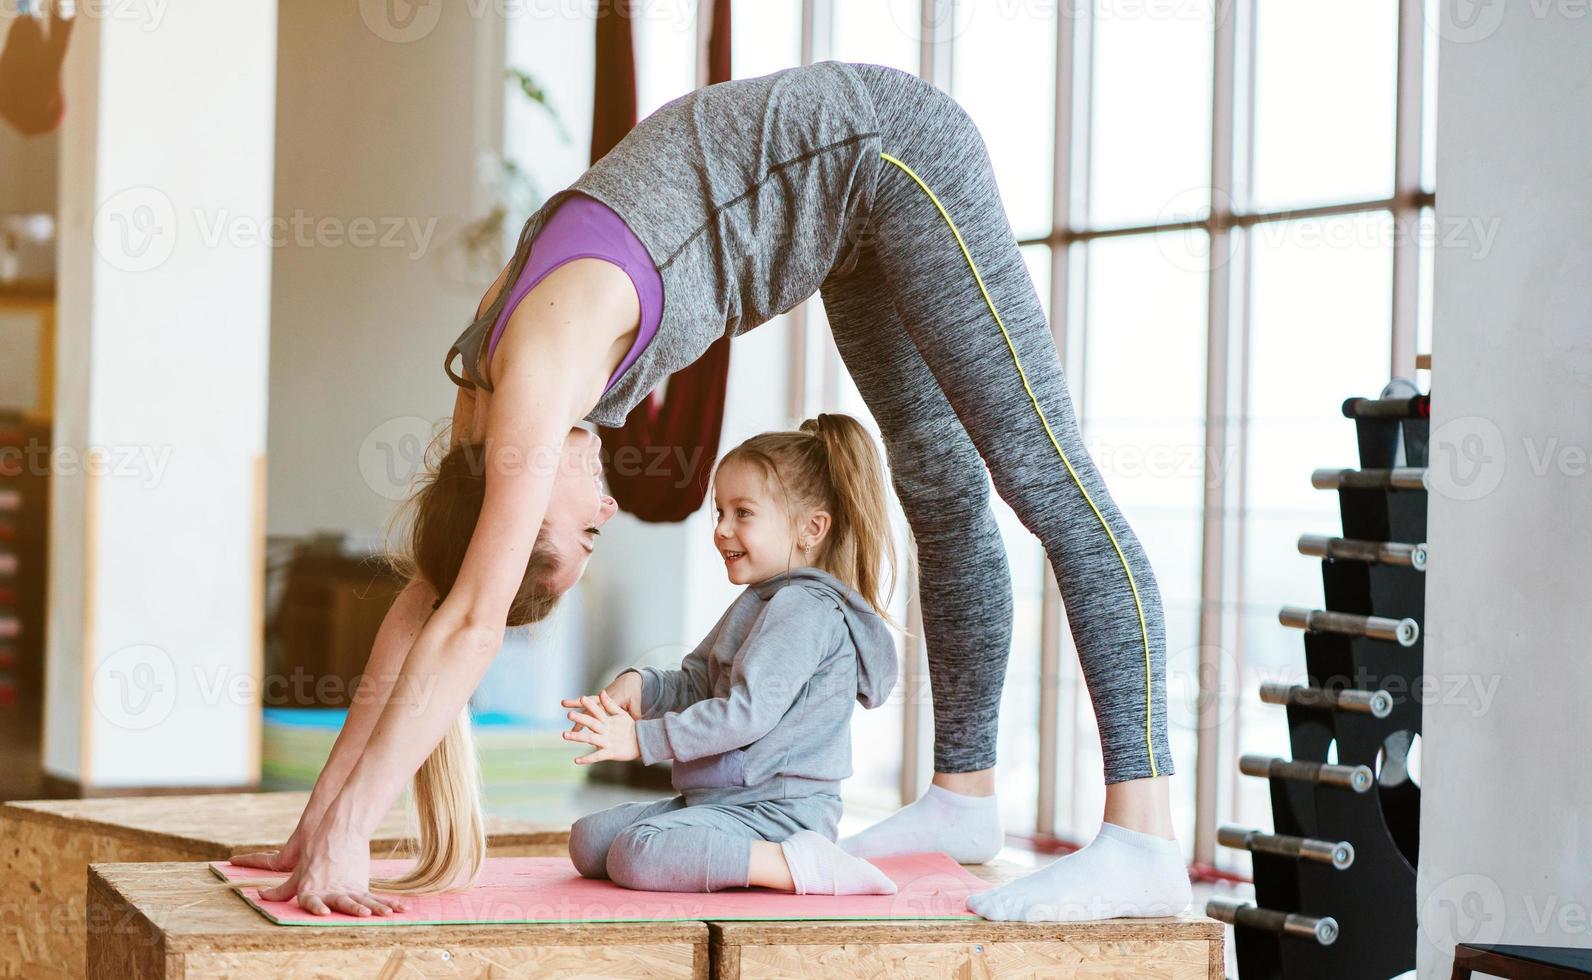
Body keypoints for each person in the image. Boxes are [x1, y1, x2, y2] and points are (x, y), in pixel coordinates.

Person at [237, 59, 1188, 922]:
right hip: (844, 224)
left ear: (518, 503)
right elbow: (435, 596)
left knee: (1044, 477)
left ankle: (1143, 835)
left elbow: (471, 623)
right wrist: (319, 819)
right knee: (939, 488)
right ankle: (964, 800)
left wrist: (361, 827)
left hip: (891, 155)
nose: (605, 510)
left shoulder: (530, 382)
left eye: (581, 536)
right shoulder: (479, 404)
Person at [560, 414, 900, 896]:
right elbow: (700, 682)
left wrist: (644, 739)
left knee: (637, 854)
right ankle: (764, 858)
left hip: (779, 813)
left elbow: (747, 714)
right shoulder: (761, 599)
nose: (721, 529)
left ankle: (798, 863)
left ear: (811, 528)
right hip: (725, 800)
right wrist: (642, 686)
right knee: (589, 841)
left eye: (743, 513)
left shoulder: (804, 610)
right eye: (720, 512)